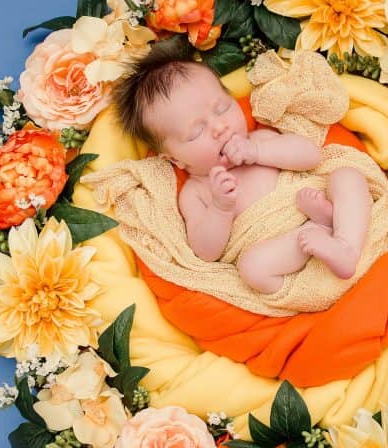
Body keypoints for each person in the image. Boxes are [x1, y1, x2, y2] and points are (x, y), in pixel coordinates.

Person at [113, 45, 372, 295]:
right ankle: (318, 238)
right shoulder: (196, 193)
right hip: (280, 249)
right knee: (251, 268)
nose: (220, 127)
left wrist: (257, 152)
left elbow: (311, 156)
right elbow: (205, 252)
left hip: (311, 205)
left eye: (222, 108)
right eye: (197, 131)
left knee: (347, 176)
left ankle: (345, 245)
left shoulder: (259, 140)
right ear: (175, 160)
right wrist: (220, 208)